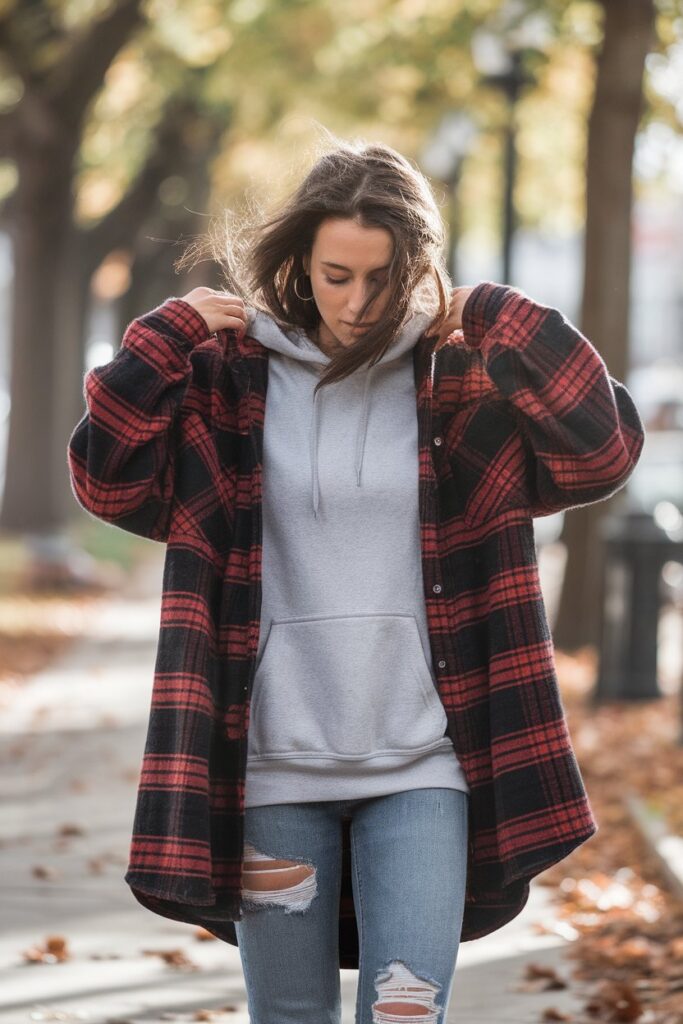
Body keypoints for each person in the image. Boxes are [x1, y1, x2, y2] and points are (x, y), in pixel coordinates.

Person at [67, 135, 645, 1024]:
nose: (357, 301)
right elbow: (108, 478)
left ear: (414, 265)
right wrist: (163, 338)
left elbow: (601, 451)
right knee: (291, 1016)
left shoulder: (459, 380)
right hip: (272, 773)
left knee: (405, 1013)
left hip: (424, 766)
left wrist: (503, 315)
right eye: (336, 274)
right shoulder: (230, 382)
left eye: (381, 278)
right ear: (299, 259)